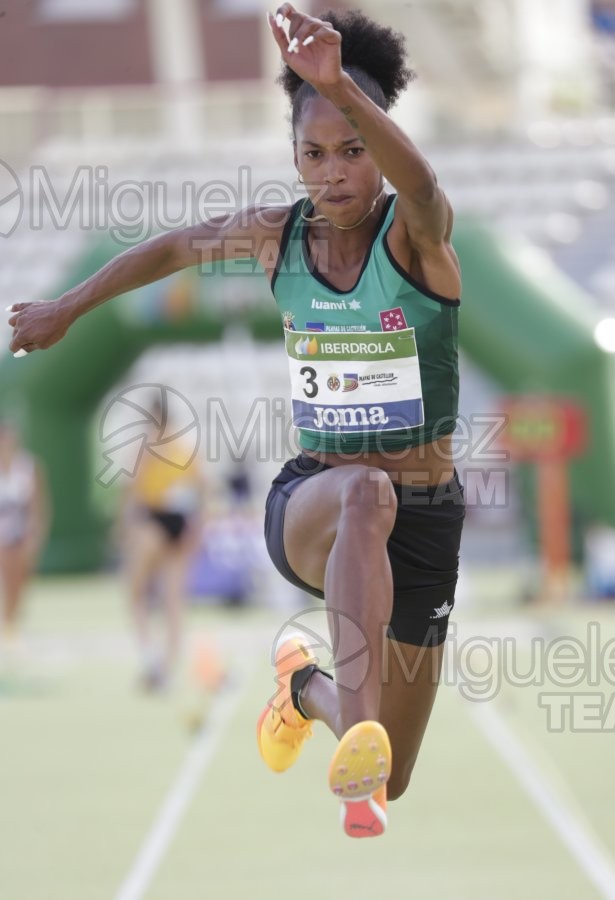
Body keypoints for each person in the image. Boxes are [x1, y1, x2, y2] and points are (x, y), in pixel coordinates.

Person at [7, 5, 465, 837]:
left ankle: (305, 689)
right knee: (366, 492)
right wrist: (69, 308)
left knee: (394, 779)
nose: (334, 174)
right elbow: (172, 248)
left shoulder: (417, 237)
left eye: (353, 151)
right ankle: (354, 733)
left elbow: (424, 185)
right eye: (314, 154)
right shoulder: (274, 239)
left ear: (378, 144)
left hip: (428, 519)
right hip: (318, 505)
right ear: (293, 159)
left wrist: (336, 86)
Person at [117, 398, 206, 690]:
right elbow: (201, 488)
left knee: (139, 592)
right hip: (176, 521)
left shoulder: (151, 448)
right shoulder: (182, 446)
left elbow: (133, 491)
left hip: (158, 519)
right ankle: (164, 665)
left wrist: (125, 528)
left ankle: (154, 660)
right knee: (170, 599)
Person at [0, 419, 50, 658]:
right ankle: (8, 625)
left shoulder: (28, 467)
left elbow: (37, 505)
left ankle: (11, 625)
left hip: (21, 532)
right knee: (7, 575)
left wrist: (35, 534)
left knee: (20, 580)